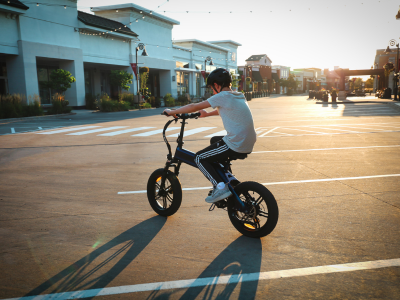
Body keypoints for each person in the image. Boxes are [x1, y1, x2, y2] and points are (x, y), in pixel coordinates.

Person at [163, 68, 257, 203]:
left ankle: (221, 187)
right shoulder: (237, 95)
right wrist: (207, 114)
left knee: (199, 158)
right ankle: (227, 176)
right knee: (214, 140)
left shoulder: (222, 96)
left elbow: (193, 106)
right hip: (248, 141)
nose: (212, 91)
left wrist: (173, 111)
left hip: (236, 142)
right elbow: (226, 111)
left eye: (212, 88)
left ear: (217, 85)